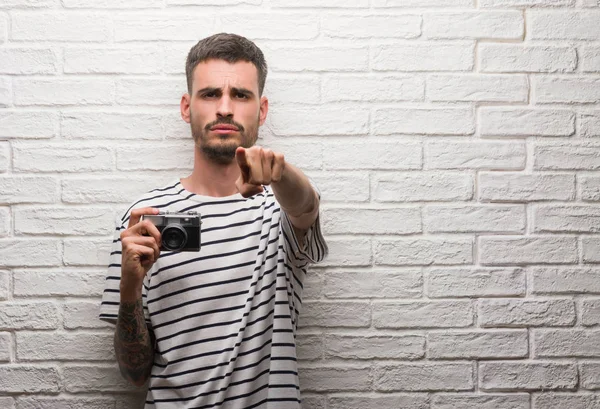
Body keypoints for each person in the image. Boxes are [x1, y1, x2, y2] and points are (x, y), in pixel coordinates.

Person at [99, 33, 328, 409]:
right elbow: (135, 374)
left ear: (262, 109)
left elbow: (306, 207)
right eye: (210, 95)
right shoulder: (145, 215)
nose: (225, 108)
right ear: (187, 107)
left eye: (240, 95)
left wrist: (281, 172)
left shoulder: (279, 206)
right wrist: (129, 288)